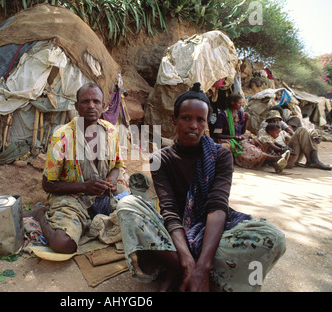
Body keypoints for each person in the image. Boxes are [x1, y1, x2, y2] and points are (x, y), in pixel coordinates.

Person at [116, 83, 286, 292]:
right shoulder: (160, 159)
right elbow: (169, 210)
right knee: (127, 205)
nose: (193, 125)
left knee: (273, 237)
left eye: (200, 120)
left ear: (206, 123)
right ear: (174, 120)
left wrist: (203, 266)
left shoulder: (220, 155)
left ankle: (178, 268)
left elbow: (217, 206)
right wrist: (188, 262)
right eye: (186, 118)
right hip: (173, 232)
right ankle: (186, 268)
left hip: (210, 232)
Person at [32, 83, 124, 254]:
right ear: (76, 106)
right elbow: (48, 185)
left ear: (104, 106)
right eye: (85, 101)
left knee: (137, 218)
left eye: (96, 101)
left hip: (103, 196)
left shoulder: (111, 132)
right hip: (71, 199)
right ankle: (40, 215)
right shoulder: (61, 137)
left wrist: (111, 179)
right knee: (62, 243)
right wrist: (85, 187)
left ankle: (88, 221)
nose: (91, 106)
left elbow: (117, 165)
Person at [212, 93, 289, 173]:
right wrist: (233, 137)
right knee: (248, 149)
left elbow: (242, 132)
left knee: (257, 144)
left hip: (238, 138)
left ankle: (274, 162)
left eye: (242, 103)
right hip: (227, 139)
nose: (241, 105)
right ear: (232, 102)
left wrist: (246, 121)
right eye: (239, 103)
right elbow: (217, 134)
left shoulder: (240, 113)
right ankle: (274, 158)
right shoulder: (223, 115)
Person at [259, 110, 331, 170]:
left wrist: (311, 137)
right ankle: (313, 161)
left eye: (277, 120)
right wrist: (283, 149)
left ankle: (314, 160)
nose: (275, 122)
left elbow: (290, 136)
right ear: (268, 121)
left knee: (312, 132)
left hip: (292, 152)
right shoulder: (264, 131)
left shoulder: (281, 131)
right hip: (284, 156)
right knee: (301, 130)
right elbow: (270, 144)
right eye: (273, 120)